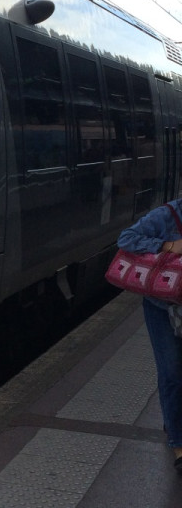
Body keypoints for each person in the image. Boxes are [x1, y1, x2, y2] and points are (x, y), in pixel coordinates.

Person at [117, 198, 182, 473]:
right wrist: (167, 245)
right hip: (162, 308)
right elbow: (126, 238)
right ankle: (179, 442)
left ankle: (174, 419)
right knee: (172, 372)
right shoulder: (168, 214)